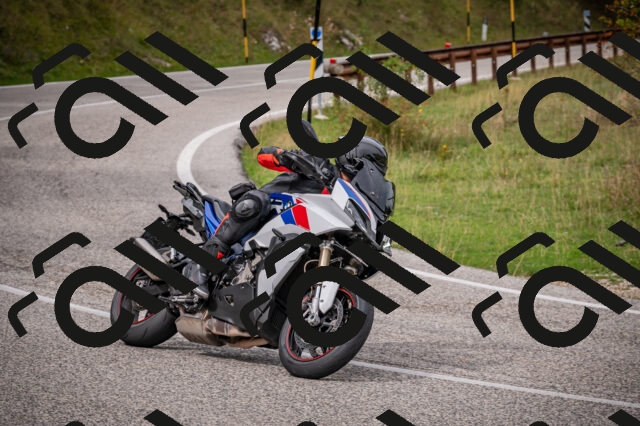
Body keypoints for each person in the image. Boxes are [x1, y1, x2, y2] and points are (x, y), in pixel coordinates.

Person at [187, 120, 391, 299]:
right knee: (255, 203)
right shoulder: (319, 166)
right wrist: (288, 157)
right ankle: (200, 265)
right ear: (356, 162)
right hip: (268, 215)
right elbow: (264, 156)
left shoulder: (351, 200)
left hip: (295, 237)